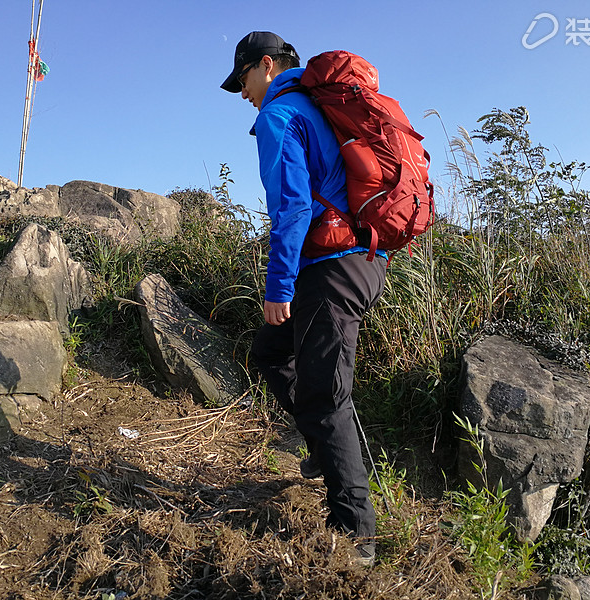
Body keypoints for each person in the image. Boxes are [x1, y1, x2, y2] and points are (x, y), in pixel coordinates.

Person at [221, 32, 388, 567]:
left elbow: (292, 208)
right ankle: (322, 449)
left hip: (329, 271)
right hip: (361, 260)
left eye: (242, 77)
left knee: (326, 397)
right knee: (270, 354)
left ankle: (356, 535)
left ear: (266, 66)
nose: (241, 91)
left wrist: (278, 288)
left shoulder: (279, 115)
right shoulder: (318, 106)